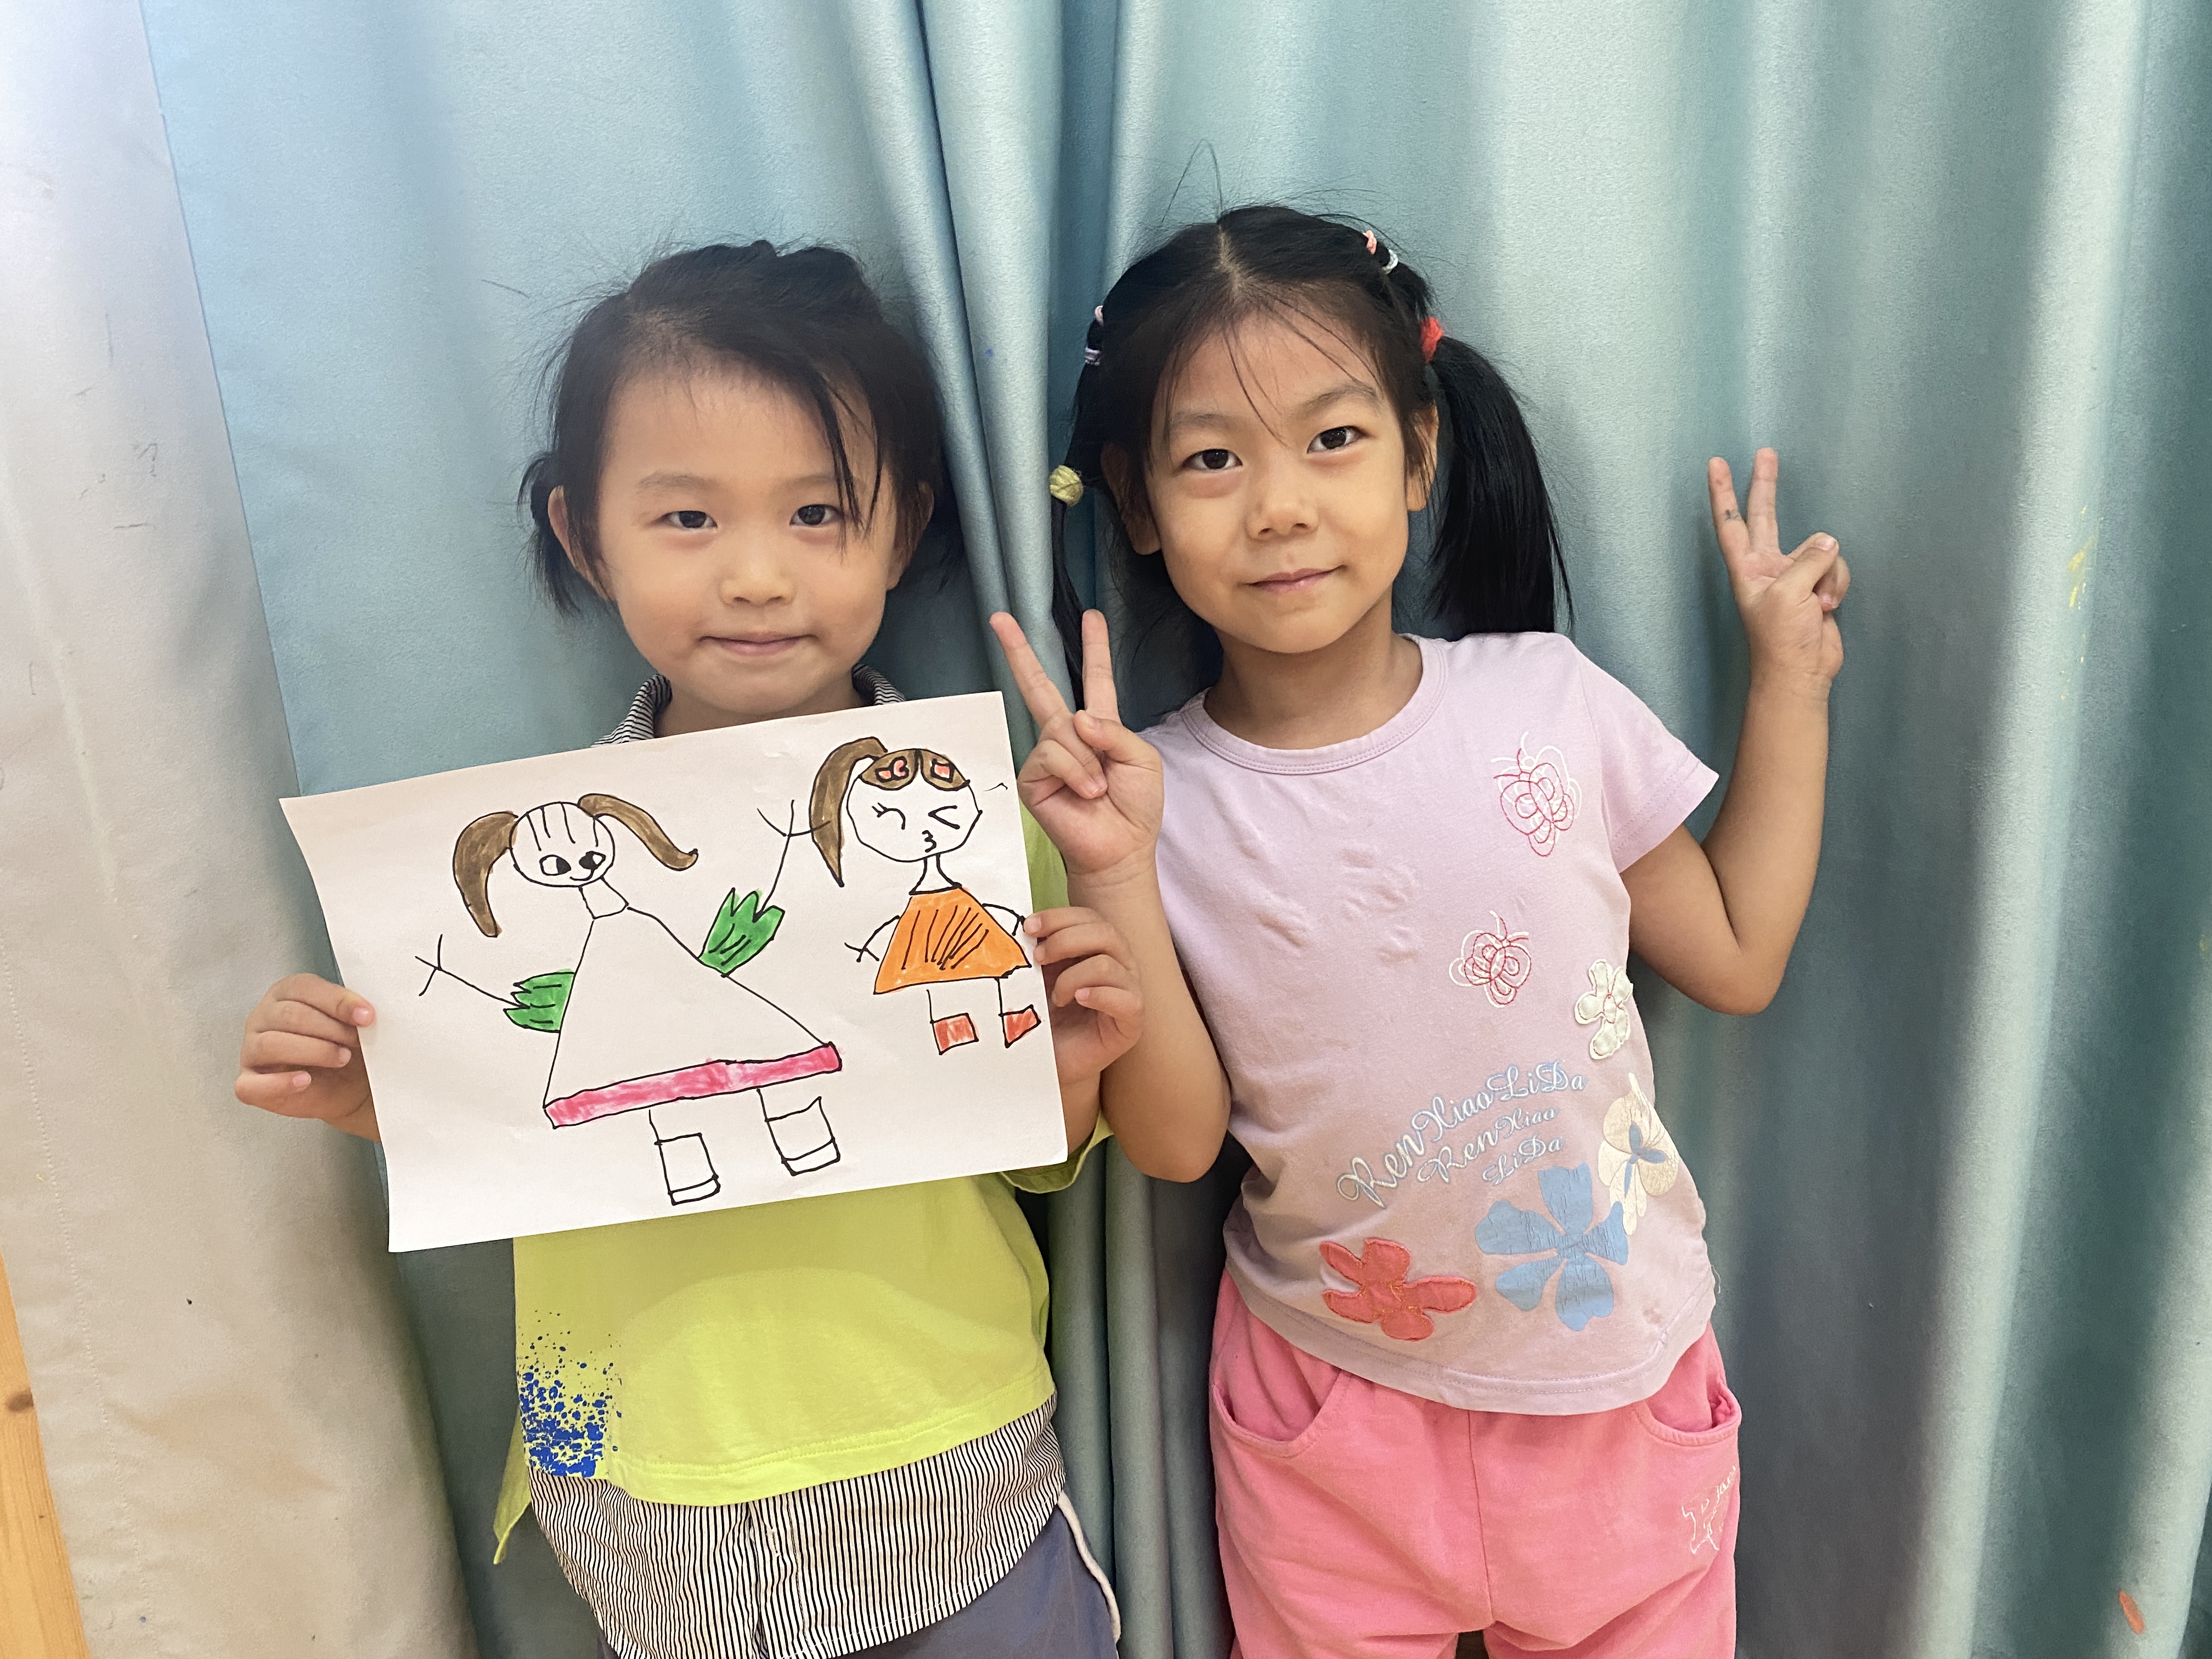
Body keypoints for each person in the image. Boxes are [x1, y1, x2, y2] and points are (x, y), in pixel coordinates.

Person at [236, 242, 1131, 1659]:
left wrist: (1066, 1072)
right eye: (688, 517)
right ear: (585, 535)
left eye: (819, 512)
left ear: (905, 524)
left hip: (948, 1464)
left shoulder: (970, 820)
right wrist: (371, 1094)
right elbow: (519, 1120)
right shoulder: (519, 866)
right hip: (651, 1497)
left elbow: (1033, 1151)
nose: (757, 575)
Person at [991, 204, 1849, 1659]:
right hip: (1333, 1419)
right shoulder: (1148, 798)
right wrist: (1116, 874)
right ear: (1136, 502)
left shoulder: (1551, 702)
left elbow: (1738, 952)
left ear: (1419, 454)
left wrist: (1791, 682)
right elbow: (1180, 1147)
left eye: (1333, 438)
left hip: (1616, 1397)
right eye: (1213, 460)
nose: (1279, 505)